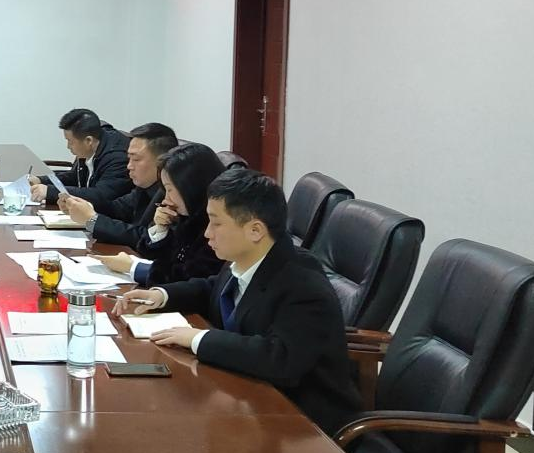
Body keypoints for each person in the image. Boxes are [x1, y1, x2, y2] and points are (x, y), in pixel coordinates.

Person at [115, 168, 361, 437]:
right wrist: (162, 295)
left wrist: (198, 338)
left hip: (303, 429)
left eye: (216, 223)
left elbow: (279, 359)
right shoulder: (249, 257)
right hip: (246, 401)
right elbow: (212, 288)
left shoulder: (302, 284)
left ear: (255, 230)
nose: (207, 233)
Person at [100, 142, 226, 285]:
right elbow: (154, 256)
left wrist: (134, 267)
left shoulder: (216, 225)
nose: (166, 199)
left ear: (191, 187)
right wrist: (160, 229)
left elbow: (190, 279)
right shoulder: (186, 216)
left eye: (169, 189)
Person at [60, 122, 177, 249]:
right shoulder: (144, 187)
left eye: (136, 159)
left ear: (162, 162)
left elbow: (145, 237)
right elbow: (117, 209)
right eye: (129, 158)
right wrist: (80, 207)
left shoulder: (173, 195)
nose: (129, 166)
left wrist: (92, 220)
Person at [27, 108, 130, 208]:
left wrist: (50, 191)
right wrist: (41, 180)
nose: (68, 146)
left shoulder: (118, 157)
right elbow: (75, 178)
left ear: (88, 141)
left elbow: (101, 195)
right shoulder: (91, 146)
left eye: (70, 141)